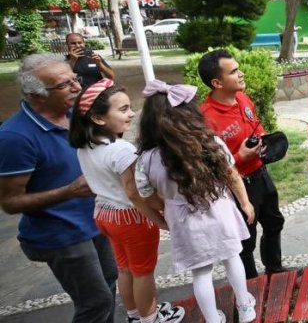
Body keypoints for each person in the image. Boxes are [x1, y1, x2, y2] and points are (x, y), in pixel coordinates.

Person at [0, 54, 118, 323]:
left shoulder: (74, 114)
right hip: (62, 234)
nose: (77, 87)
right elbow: (10, 202)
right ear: (37, 95)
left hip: (96, 221)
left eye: (75, 79)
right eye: (65, 85)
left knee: (109, 284)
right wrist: (69, 191)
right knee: (95, 302)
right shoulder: (14, 137)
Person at [135, 80, 257, 323]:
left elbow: (146, 195)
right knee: (232, 257)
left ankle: (212, 319)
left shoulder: (146, 160)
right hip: (220, 210)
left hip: (182, 218)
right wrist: (245, 203)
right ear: (190, 113)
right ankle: (245, 308)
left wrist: (163, 212)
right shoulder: (211, 144)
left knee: (201, 272)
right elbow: (233, 176)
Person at [69, 79, 185, 323]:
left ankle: (135, 315)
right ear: (99, 118)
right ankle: (150, 318)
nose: (132, 113)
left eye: (129, 107)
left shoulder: (85, 147)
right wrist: (160, 219)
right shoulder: (121, 150)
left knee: (125, 268)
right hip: (130, 218)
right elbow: (135, 192)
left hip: (103, 214)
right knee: (143, 273)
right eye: (123, 109)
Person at [198, 49, 285, 279]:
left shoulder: (242, 98)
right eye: (234, 71)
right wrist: (239, 158)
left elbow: (256, 126)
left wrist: (265, 142)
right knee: (245, 239)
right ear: (217, 82)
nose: (241, 74)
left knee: (274, 223)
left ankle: (275, 271)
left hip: (261, 174)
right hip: (237, 187)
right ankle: (251, 284)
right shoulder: (206, 118)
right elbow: (211, 167)